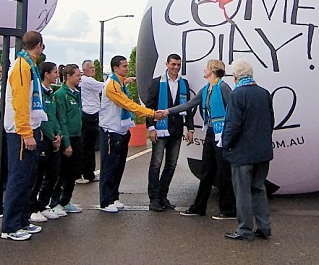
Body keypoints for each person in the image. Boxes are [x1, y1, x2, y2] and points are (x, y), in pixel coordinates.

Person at [171, 59, 237, 220]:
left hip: (222, 134)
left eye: (206, 68)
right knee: (206, 170)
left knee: (224, 171)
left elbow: (233, 110)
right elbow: (190, 104)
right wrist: (167, 111)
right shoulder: (207, 88)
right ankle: (199, 207)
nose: (204, 70)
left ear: (213, 70)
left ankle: (229, 210)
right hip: (211, 132)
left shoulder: (222, 87)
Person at [98, 55, 165, 213]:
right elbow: (128, 104)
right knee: (109, 167)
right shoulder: (112, 85)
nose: (127, 69)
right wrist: (151, 114)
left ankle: (113, 197)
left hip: (121, 130)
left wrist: (126, 82)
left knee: (119, 165)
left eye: (127, 66)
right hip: (110, 131)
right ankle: (105, 200)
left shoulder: (120, 83)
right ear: (115, 69)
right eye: (124, 66)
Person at [220, 60, 274, 241]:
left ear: (235, 77)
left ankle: (245, 229)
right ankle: (264, 226)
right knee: (258, 188)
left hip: (242, 153)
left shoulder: (237, 95)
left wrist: (226, 144)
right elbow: (271, 122)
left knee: (242, 192)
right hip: (262, 151)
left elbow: (232, 125)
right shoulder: (264, 93)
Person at [0, 31, 47, 242]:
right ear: (38, 45)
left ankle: (22, 220)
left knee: (28, 177)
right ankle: (10, 226)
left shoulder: (30, 66)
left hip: (30, 128)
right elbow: (20, 102)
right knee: (18, 179)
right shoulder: (21, 67)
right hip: (20, 131)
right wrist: (26, 133)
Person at [143, 53, 195, 211]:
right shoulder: (157, 83)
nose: (176, 68)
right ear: (166, 64)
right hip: (159, 129)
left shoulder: (184, 83)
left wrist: (190, 128)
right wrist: (151, 128)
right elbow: (149, 107)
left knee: (171, 165)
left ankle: (163, 195)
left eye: (178, 65)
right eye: (173, 64)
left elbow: (188, 107)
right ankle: (153, 198)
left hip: (176, 130)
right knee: (156, 164)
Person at [30, 62, 63, 223]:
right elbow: (42, 119)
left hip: (53, 140)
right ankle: (32, 208)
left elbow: (54, 117)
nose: (57, 75)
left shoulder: (51, 93)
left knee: (53, 173)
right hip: (44, 140)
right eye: (55, 72)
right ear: (46, 74)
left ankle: (43, 205)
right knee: (39, 175)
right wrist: (51, 136)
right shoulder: (40, 93)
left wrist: (58, 135)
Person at [51, 63, 83, 215]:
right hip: (68, 137)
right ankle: (55, 202)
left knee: (73, 171)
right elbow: (62, 120)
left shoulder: (76, 92)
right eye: (77, 75)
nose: (79, 78)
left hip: (77, 135)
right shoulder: (60, 95)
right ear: (68, 76)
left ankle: (66, 200)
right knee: (62, 171)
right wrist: (67, 144)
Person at [77, 60, 104, 183]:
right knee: (87, 145)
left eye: (94, 67)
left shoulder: (86, 81)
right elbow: (104, 87)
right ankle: (86, 173)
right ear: (85, 69)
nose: (93, 70)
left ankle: (88, 172)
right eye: (91, 68)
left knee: (89, 145)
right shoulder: (87, 80)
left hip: (92, 113)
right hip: (89, 114)